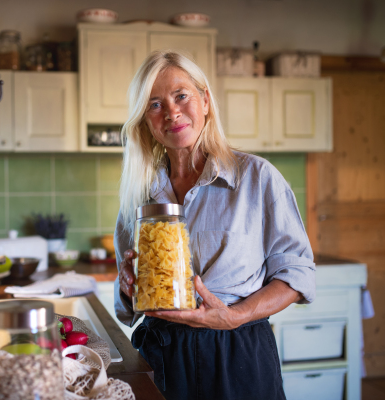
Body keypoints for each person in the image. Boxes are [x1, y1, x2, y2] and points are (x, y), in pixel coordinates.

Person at [113, 51, 316, 400]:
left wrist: (235, 315)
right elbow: (127, 293)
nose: (172, 112)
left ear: (205, 101)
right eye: (155, 104)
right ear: (145, 120)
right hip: (161, 353)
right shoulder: (140, 193)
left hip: (236, 352)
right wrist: (131, 288)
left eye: (181, 96)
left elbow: (298, 274)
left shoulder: (256, 177)